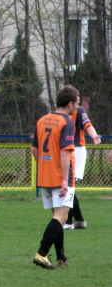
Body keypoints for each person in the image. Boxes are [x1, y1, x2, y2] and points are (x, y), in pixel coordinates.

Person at [31, 85, 79, 269]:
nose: (76, 108)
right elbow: (66, 152)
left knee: (57, 217)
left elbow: (35, 149)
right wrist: (64, 180)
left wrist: (44, 165)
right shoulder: (66, 122)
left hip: (45, 174)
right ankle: (42, 253)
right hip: (61, 176)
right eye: (76, 104)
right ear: (69, 104)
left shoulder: (42, 119)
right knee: (61, 216)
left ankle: (61, 257)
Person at [64, 96, 101, 229]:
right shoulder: (58, 112)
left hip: (76, 149)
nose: (78, 104)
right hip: (64, 149)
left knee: (69, 185)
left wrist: (94, 136)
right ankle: (78, 219)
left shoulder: (79, 111)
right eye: (76, 101)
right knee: (68, 186)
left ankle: (68, 221)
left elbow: (87, 125)